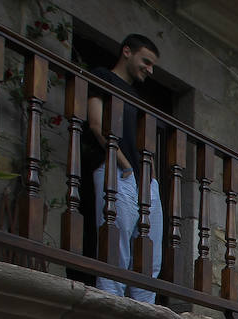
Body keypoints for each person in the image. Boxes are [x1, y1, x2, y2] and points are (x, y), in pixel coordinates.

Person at [86, 35, 162, 302]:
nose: (149, 70)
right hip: (117, 171)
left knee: (149, 254)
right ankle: (111, 307)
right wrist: (125, 165)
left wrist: (148, 175)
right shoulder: (103, 77)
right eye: (146, 62)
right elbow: (96, 124)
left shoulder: (138, 96)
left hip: (145, 180)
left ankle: (145, 312)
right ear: (126, 51)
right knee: (115, 249)